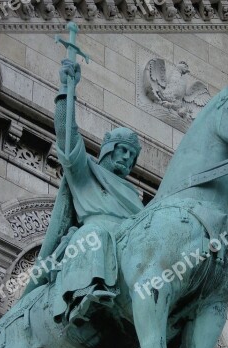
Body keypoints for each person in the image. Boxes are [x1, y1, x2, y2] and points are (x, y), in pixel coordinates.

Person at [24, 58, 144, 325]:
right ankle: (83, 295)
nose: (125, 158)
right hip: (94, 236)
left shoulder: (135, 197)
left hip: (127, 241)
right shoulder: (87, 172)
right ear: (109, 150)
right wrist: (67, 89)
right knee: (96, 234)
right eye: (122, 151)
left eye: (131, 155)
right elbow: (67, 137)